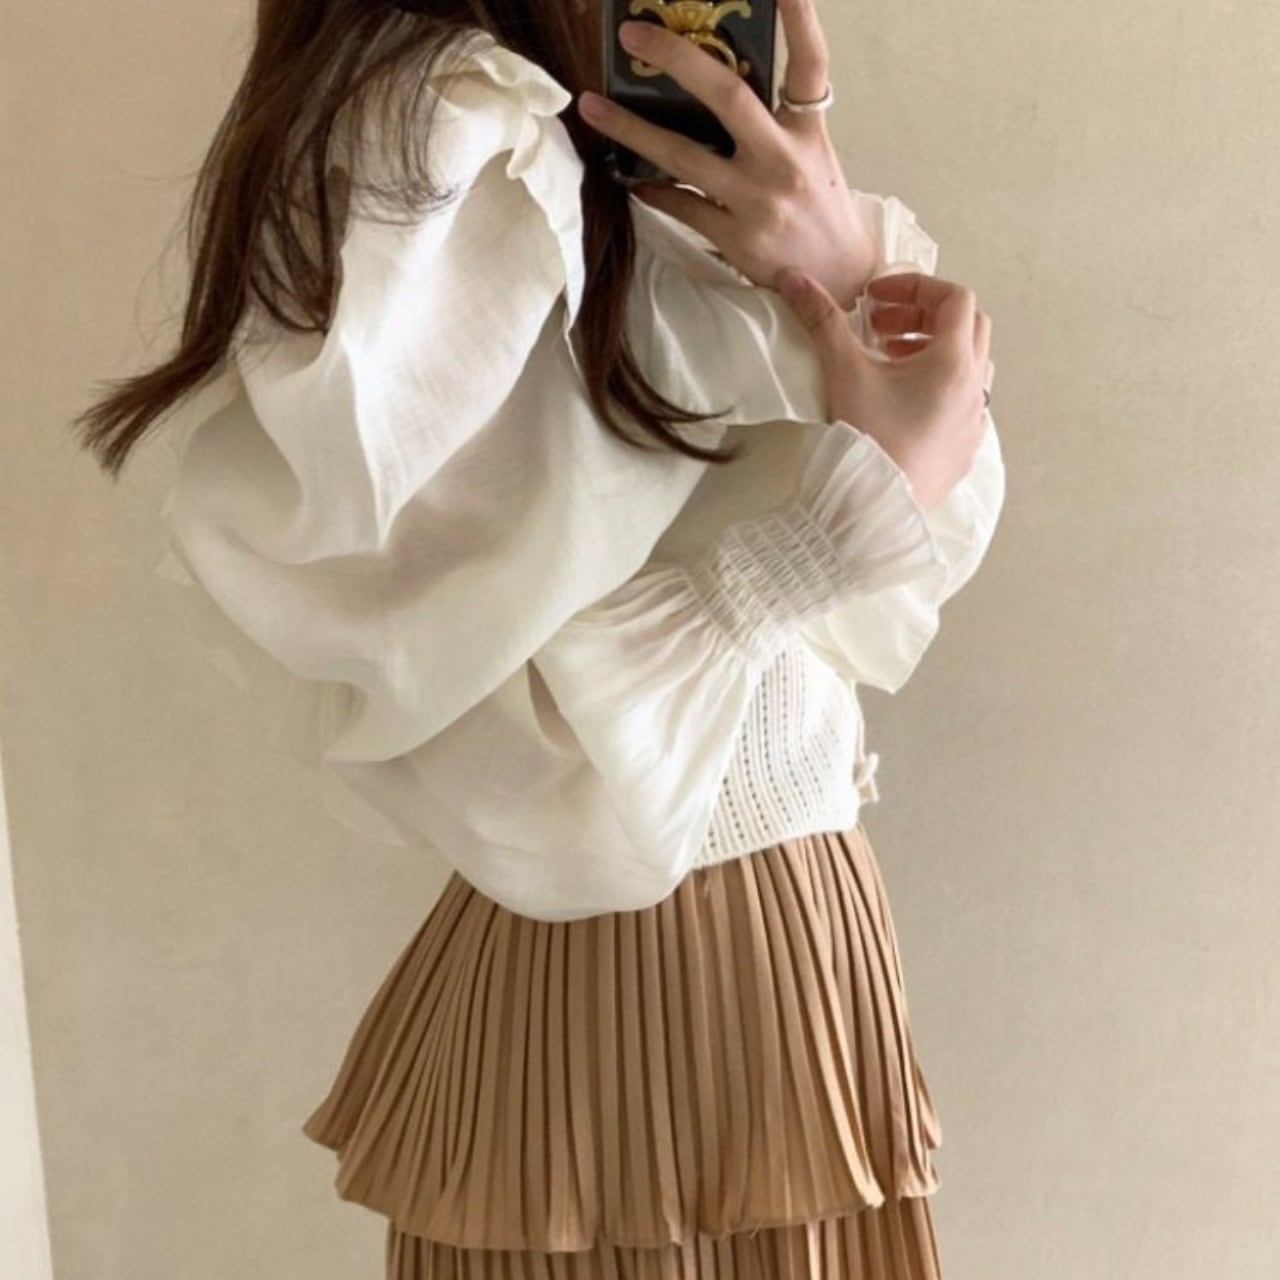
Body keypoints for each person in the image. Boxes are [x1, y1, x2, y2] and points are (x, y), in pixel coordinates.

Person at [73, 2, 1004, 1276]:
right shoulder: (456, 135)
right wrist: (816, 543)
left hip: (760, 927)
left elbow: (894, 558)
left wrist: (842, 278)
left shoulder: (602, 136)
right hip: (660, 964)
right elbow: (495, 737)